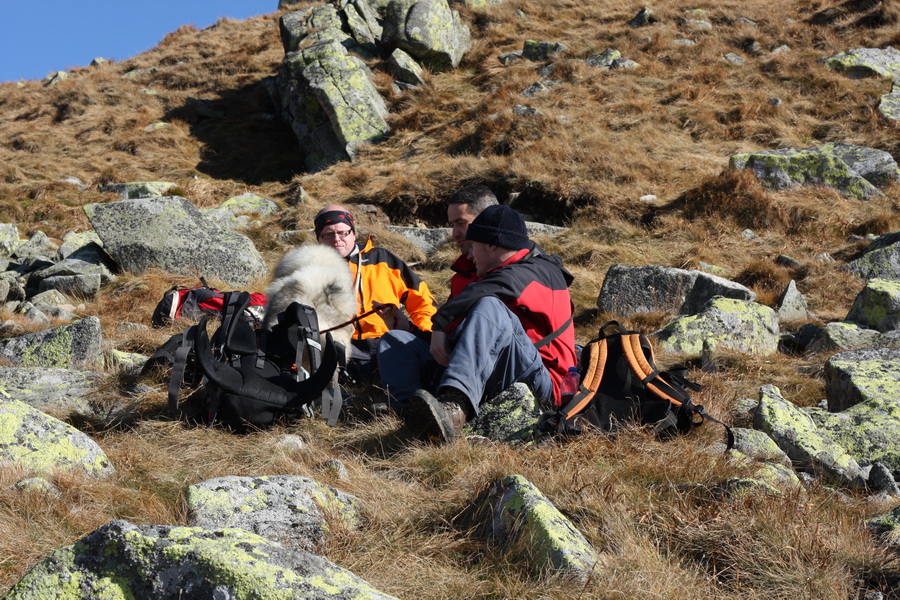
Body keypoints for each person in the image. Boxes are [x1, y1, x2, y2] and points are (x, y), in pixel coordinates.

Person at [379, 204, 577, 443]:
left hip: (544, 382)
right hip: (495, 368)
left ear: (492, 244)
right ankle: (413, 413)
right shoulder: (492, 275)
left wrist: (440, 324)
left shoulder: (541, 271)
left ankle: (454, 408)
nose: (469, 255)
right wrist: (412, 330)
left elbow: (499, 286)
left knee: (489, 307)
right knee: (395, 341)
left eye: (473, 247)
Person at [314, 205, 438, 383]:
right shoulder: (312, 270)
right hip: (342, 347)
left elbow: (423, 302)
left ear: (353, 233)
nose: (336, 239)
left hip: (387, 341)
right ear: (319, 238)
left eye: (342, 232)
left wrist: (426, 336)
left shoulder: (383, 260)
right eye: (328, 234)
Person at [445, 185, 498, 299]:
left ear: (487, 219)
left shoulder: (525, 273)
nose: (455, 234)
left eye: (461, 222)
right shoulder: (460, 277)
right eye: (452, 225)